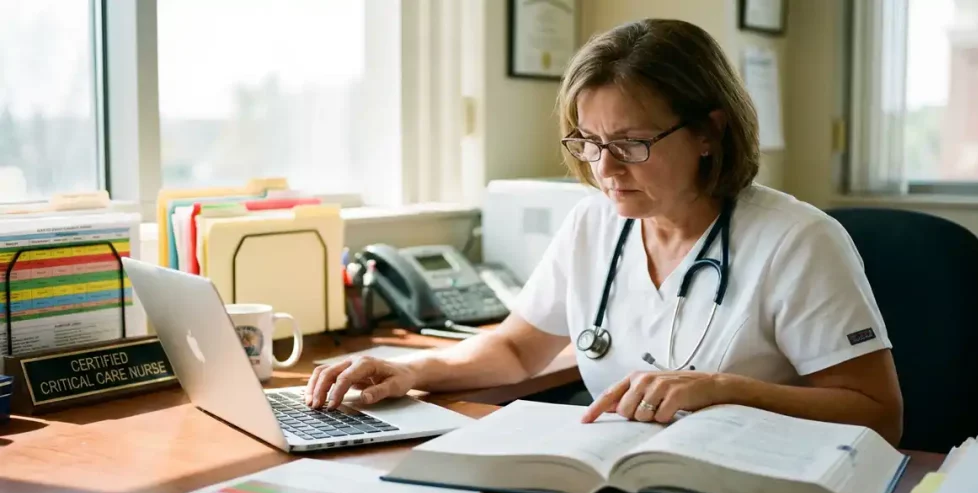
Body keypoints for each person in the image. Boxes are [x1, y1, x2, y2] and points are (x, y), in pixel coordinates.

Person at [305, 19, 904, 445]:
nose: (605, 170)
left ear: (707, 133)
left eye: (632, 144)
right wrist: (414, 370)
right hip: (619, 474)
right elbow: (518, 349)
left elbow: (878, 416)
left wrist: (723, 389)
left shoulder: (797, 241)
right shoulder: (594, 222)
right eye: (589, 143)